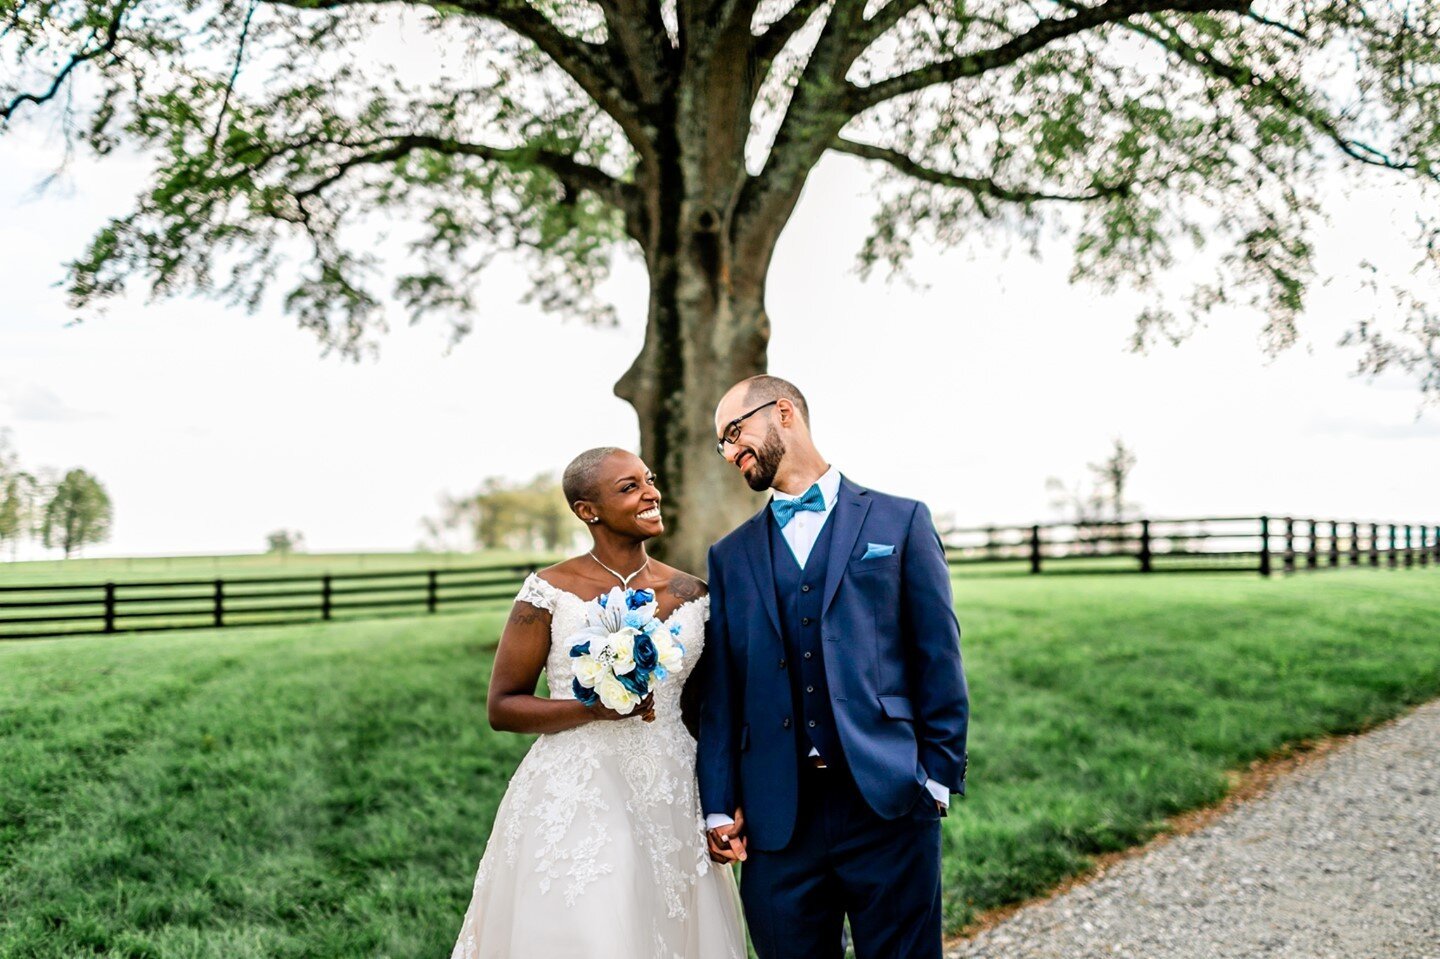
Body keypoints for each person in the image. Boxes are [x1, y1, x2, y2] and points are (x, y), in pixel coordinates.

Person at [697, 375, 970, 959]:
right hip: (776, 821)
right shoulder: (729, 556)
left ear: (785, 413)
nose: (730, 451)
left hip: (889, 802)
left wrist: (937, 781)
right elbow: (722, 692)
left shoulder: (901, 521)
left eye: (735, 432)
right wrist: (719, 801)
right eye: (722, 444)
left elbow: (938, 657)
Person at [450, 447, 746, 959]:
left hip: (672, 788)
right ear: (588, 510)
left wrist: (722, 802)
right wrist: (593, 709)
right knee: (593, 929)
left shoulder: (693, 593)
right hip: (579, 789)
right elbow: (503, 707)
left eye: (649, 480)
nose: (651, 492)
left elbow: (708, 714)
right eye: (629, 487)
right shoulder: (548, 592)